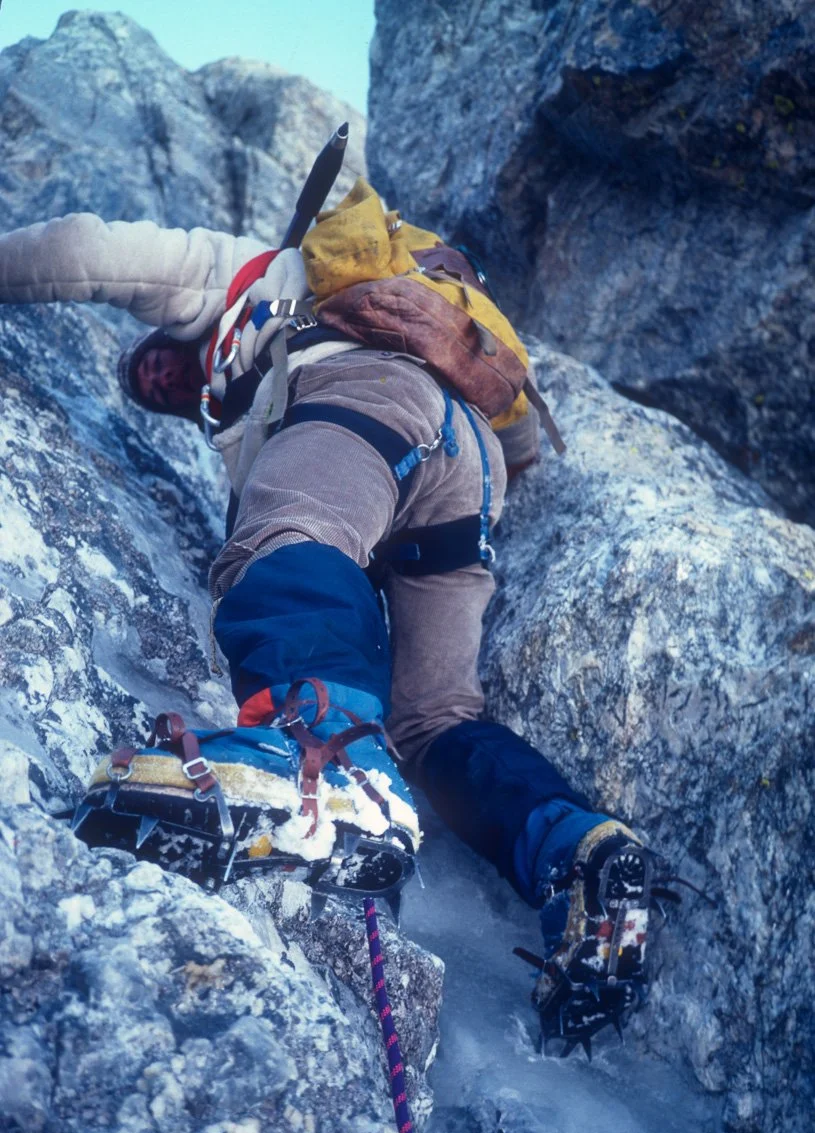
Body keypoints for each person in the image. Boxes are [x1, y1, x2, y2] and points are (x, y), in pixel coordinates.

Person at [0, 195, 665, 1054]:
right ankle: (577, 850)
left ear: (183, 336)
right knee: (435, 721)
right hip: (469, 475)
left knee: (284, 539)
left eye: (159, 364)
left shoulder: (236, 272)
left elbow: (88, 248)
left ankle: (331, 772)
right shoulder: (333, 345)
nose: (161, 380)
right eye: (155, 393)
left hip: (370, 397)